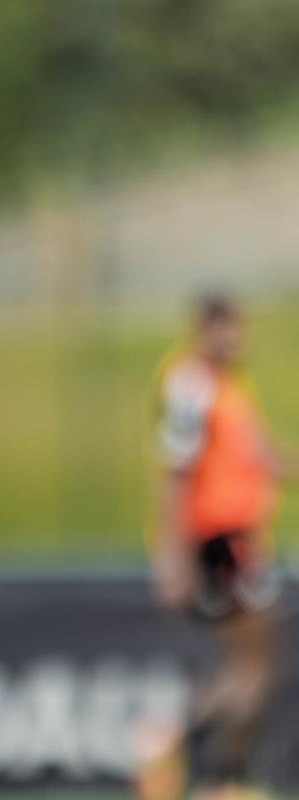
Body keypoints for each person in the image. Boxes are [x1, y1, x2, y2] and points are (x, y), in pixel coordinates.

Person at [145, 296, 288, 799]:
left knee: (253, 668)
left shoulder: (231, 388)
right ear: (202, 331)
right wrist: (172, 554)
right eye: (223, 331)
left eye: (237, 331)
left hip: (241, 538)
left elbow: (263, 460)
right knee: (251, 667)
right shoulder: (192, 385)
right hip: (220, 541)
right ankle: (180, 747)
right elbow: (174, 471)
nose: (233, 341)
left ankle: (216, 777)